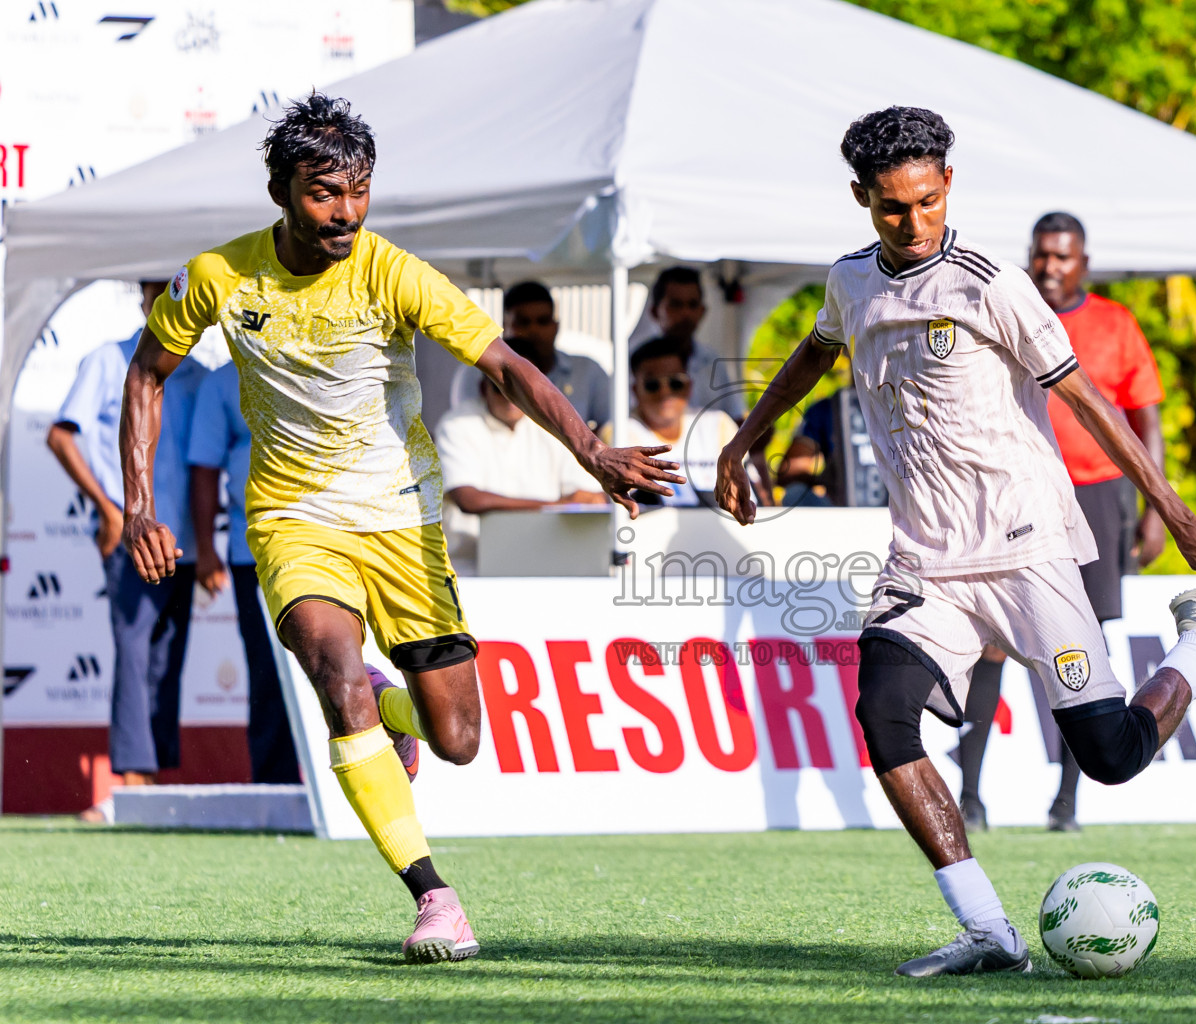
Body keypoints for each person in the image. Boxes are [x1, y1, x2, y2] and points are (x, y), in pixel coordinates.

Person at [715, 105, 1196, 978]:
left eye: (926, 202)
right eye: (890, 208)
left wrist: (1176, 513)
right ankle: (988, 928)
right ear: (860, 199)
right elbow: (814, 351)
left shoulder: (992, 282)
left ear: (948, 184)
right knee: (882, 716)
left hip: (1028, 548)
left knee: (1109, 758)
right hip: (926, 560)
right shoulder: (851, 282)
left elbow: (1089, 400)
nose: (913, 224)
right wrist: (745, 438)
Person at [121, 94, 681, 963]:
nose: (345, 211)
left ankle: (394, 713)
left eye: (360, 190)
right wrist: (139, 506)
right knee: (332, 673)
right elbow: (147, 375)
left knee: (455, 741)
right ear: (280, 191)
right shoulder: (220, 276)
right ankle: (435, 899)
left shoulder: (394, 272)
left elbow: (505, 363)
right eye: (322, 192)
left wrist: (592, 452)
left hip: (402, 518)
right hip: (292, 516)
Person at [959, 212, 1170, 835]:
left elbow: (1144, 418)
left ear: (1084, 261)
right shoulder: (1005, 305)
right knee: (993, 643)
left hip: (1099, 498)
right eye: (1042, 255)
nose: (1050, 266)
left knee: (1083, 649)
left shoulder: (1115, 323)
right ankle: (970, 797)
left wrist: (1157, 509)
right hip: (1017, 494)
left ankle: (1067, 804)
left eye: (1063, 257)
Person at [47, 281, 206, 807]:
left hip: (182, 539)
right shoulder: (106, 360)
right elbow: (61, 435)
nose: (166, 301)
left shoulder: (200, 373)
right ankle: (127, 784)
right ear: (142, 295)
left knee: (167, 657)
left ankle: (153, 782)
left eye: (175, 292)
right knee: (135, 651)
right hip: (135, 535)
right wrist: (110, 508)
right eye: (158, 290)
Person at [187, 361, 302, 785]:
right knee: (267, 667)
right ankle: (277, 784)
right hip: (250, 553)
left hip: (325, 544)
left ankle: (341, 786)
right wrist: (205, 551)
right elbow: (204, 467)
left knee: (334, 664)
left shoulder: (316, 363)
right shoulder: (221, 383)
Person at [436, 376, 607, 571]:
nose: (510, 397)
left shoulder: (554, 425)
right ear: (484, 388)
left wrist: (565, 505)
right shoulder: (457, 424)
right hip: (470, 566)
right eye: (499, 387)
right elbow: (469, 500)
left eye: (520, 389)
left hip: (546, 561)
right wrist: (557, 506)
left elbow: (590, 499)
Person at [623, 336, 752, 508]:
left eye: (675, 383)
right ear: (635, 390)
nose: (665, 392)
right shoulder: (620, 431)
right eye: (652, 385)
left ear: (689, 386)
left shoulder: (719, 425)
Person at [501, 279, 611, 430]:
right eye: (523, 322)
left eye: (543, 321)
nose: (534, 331)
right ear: (504, 326)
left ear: (556, 326)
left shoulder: (588, 371)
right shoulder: (478, 372)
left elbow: (611, 426)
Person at [644, 266, 744, 419]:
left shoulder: (713, 362)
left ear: (702, 311)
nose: (686, 313)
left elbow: (736, 417)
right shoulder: (638, 363)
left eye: (692, 304)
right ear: (655, 311)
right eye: (676, 304)